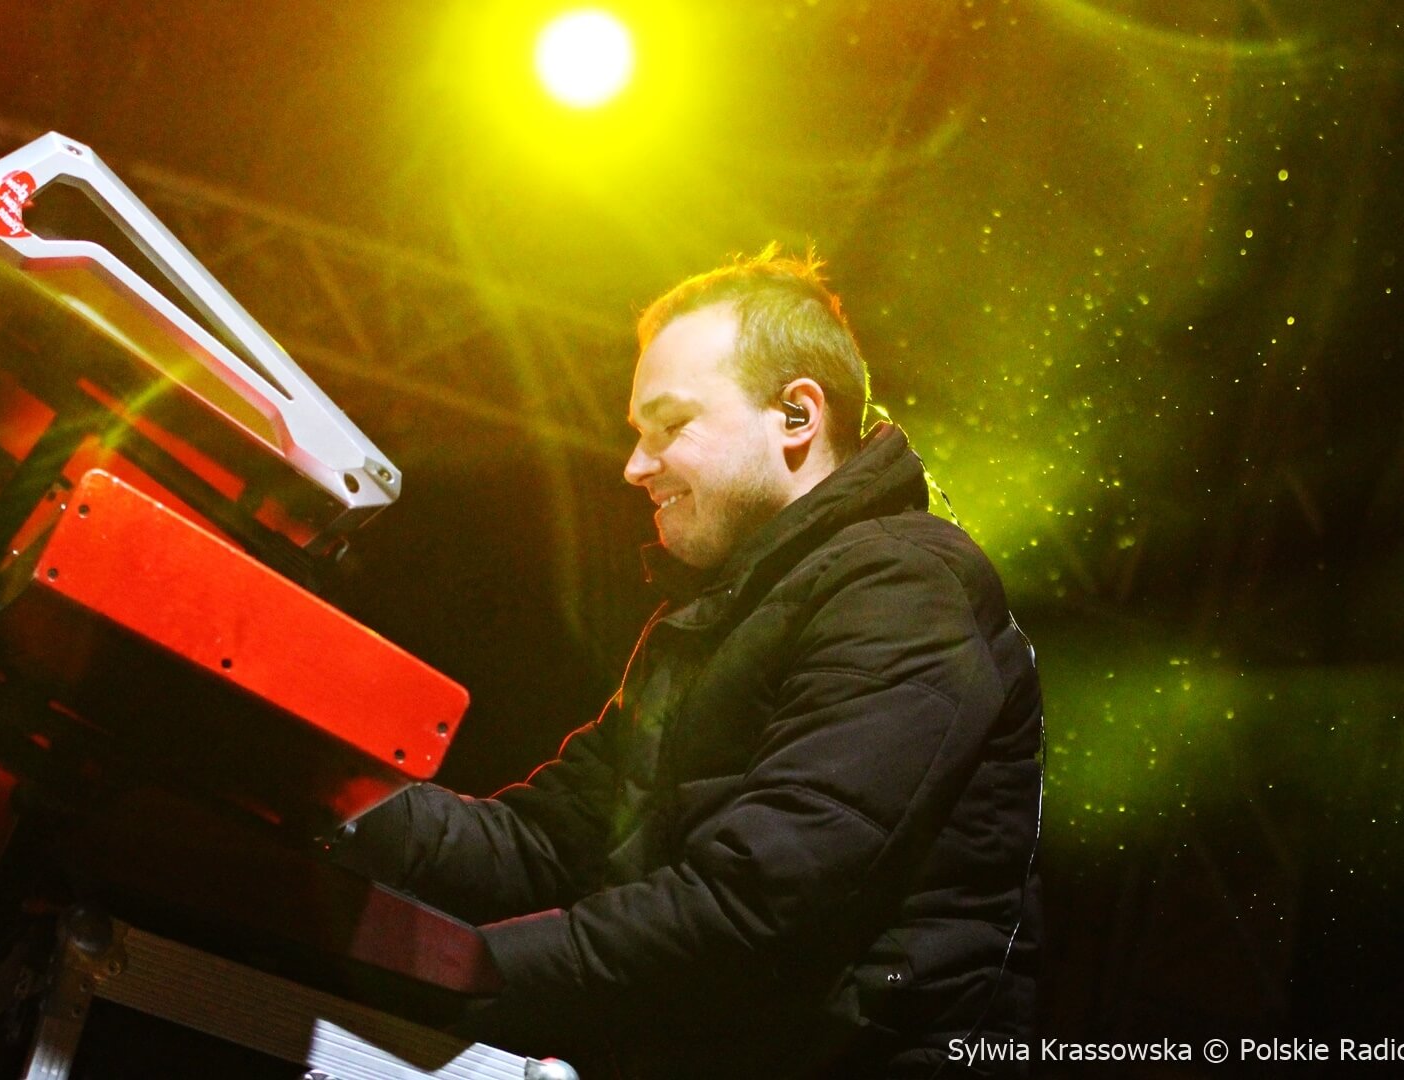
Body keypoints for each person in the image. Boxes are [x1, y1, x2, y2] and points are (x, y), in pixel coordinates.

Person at [335, 246, 1043, 1078]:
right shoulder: (723, 612)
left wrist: (457, 971)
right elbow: (548, 842)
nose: (635, 467)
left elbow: (757, 904)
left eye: (671, 426)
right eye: (639, 434)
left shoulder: (903, 586)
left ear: (796, 415)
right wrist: (339, 801)